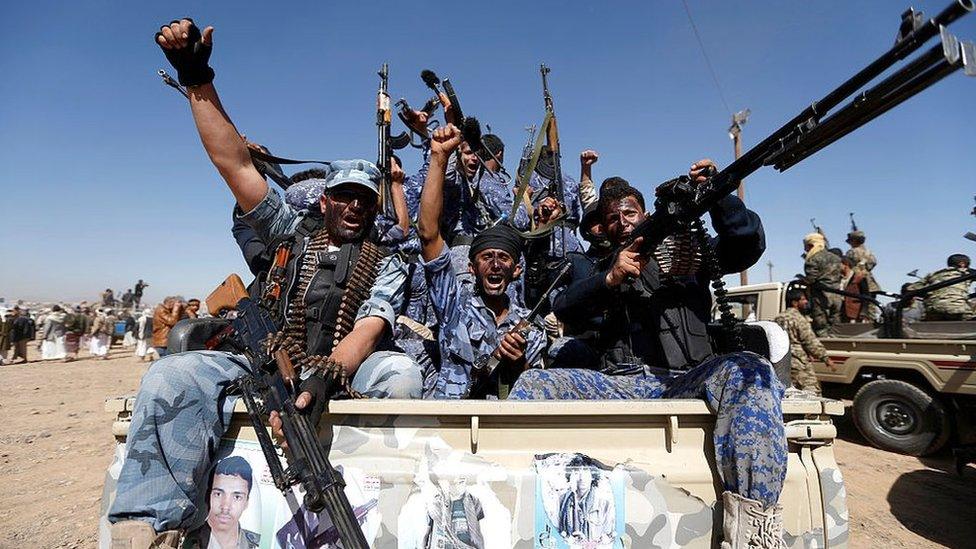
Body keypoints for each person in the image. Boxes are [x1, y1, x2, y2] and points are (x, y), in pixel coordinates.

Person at [109, 19, 423, 547]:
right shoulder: (287, 230)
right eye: (343, 195)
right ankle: (168, 524)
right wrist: (196, 77)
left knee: (401, 375)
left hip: (336, 370)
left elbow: (371, 323)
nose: (353, 206)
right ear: (324, 201)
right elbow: (231, 160)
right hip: (261, 359)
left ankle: (392, 501)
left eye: (365, 199)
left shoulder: (385, 258)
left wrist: (324, 377)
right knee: (169, 377)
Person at [508, 169, 790, 546]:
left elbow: (745, 243)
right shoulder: (594, 267)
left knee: (750, 369)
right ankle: (511, 501)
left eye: (629, 213)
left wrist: (718, 195)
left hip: (685, 381)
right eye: (612, 218)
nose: (621, 223)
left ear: (643, 214)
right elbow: (565, 306)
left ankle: (753, 531)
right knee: (535, 383)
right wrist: (609, 279)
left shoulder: (689, 254)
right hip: (621, 384)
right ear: (602, 229)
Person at [417, 125, 545, 399]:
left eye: (504, 258)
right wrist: (439, 158)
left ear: (516, 269)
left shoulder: (532, 326)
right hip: (451, 425)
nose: (496, 265)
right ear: (471, 268)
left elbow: (533, 387)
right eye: (487, 257)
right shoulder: (453, 309)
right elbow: (429, 235)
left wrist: (516, 362)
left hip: (506, 429)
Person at [183, 456, 260, 549]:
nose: (226, 507)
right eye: (218, 494)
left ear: (246, 502)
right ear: (207, 496)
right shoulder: (185, 542)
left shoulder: (258, 543)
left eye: (237, 497)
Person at [774, 289, 836, 395]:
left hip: (783, 362)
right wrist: (825, 358)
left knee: (790, 392)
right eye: (803, 299)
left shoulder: (778, 318)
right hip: (799, 361)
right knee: (812, 391)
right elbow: (810, 341)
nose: (806, 301)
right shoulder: (799, 319)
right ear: (795, 302)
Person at [557, 457, 614, 545]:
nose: (581, 477)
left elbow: (610, 536)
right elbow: (558, 533)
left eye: (586, 471)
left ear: (592, 475)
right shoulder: (562, 502)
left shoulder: (604, 503)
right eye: (577, 472)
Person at [908, 254, 975, 321]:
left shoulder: (933, 274)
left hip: (933, 310)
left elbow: (911, 288)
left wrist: (928, 294)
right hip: (958, 309)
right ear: (962, 264)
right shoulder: (967, 272)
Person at [803, 232, 842, 335]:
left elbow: (811, 279)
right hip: (837, 296)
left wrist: (802, 280)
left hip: (821, 297)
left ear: (811, 245)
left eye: (806, 247)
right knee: (835, 327)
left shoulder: (813, 259)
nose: (805, 250)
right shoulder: (836, 258)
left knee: (821, 328)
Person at [839, 257, 871, 323]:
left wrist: (863, 313)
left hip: (855, 314)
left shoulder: (859, 278)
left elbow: (866, 296)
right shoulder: (839, 279)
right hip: (842, 313)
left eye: (839, 264)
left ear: (846, 264)